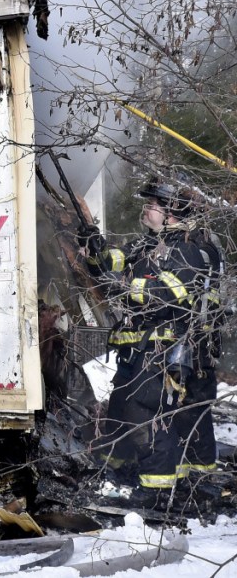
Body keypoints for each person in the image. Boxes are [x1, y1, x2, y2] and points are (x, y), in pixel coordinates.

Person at [78, 176, 224, 509]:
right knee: (121, 409)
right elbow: (114, 262)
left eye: (154, 204)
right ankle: (118, 470)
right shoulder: (152, 243)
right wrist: (94, 249)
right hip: (142, 348)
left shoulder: (193, 248)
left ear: (174, 210)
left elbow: (173, 295)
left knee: (150, 413)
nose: (147, 208)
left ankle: (161, 489)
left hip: (169, 351)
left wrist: (131, 288)